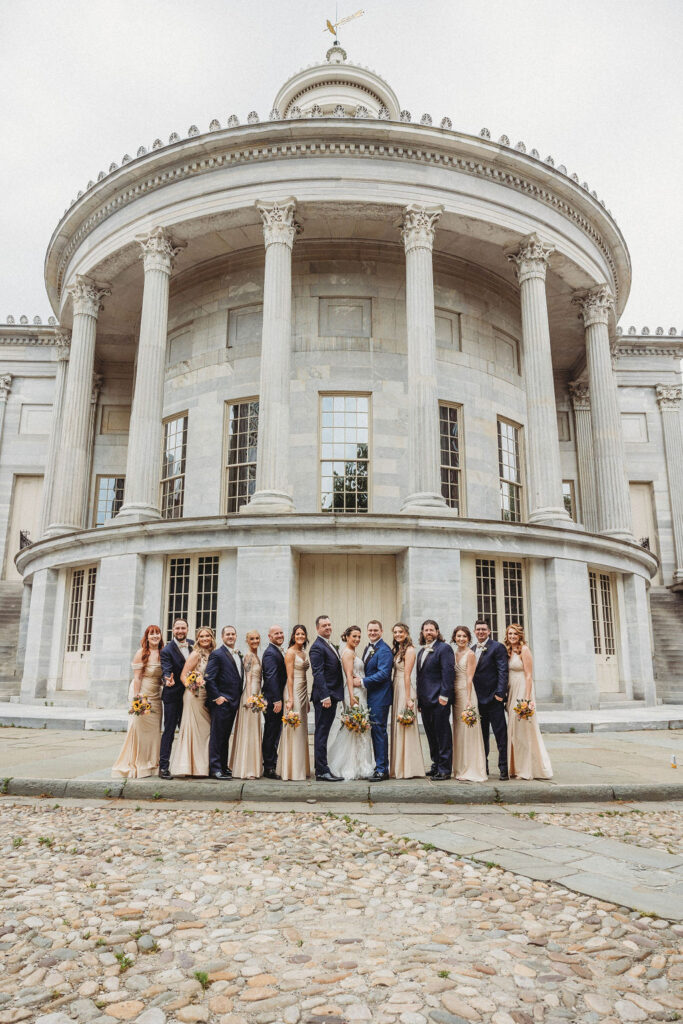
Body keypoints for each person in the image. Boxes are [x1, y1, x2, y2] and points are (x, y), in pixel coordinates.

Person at [112, 625, 164, 778]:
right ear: (147, 637)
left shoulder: (163, 652)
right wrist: (137, 698)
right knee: (139, 729)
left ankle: (152, 764)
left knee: (154, 731)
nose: (155, 636)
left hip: (156, 695)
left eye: (157, 633)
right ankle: (139, 763)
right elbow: (137, 677)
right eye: (151, 634)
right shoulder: (141, 653)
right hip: (143, 693)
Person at [505, 623, 553, 780]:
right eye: (510, 633)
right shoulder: (508, 650)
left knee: (523, 730)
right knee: (513, 731)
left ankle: (525, 770)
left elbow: (528, 675)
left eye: (515, 634)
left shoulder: (524, 650)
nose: (512, 636)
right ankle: (515, 767)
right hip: (511, 690)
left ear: (520, 635)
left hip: (522, 690)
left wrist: (526, 699)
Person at [328, 626, 375, 780]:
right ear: (347, 637)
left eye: (359, 636)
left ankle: (361, 763)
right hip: (354, 694)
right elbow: (348, 676)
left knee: (360, 728)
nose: (357, 639)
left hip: (360, 692)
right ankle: (350, 765)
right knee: (355, 727)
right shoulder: (347, 653)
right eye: (354, 636)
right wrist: (351, 696)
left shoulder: (353, 651)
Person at [169, 626, 215, 777]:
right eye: (201, 636)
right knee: (194, 730)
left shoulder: (213, 654)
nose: (204, 639)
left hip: (206, 697)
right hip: (194, 696)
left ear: (212, 637)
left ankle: (202, 767)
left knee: (205, 731)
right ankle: (189, 767)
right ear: (197, 639)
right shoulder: (195, 654)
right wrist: (193, 687)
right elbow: (183, 675)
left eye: (207, 636)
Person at [471, 618, 509, 781]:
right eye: (478, 629)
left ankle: (504, 768)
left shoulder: (497, 647)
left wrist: (500, 693)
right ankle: (483, 767)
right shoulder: (472, 649)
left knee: (501, 735)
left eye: (483, 629)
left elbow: (503, 670)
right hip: (478, 700)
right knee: (482, 736)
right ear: (474, 632)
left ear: (489, 631)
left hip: (494, 699)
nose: (480, 632)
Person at [204, 625, 244, 779]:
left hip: (233, 702)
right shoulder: (217, 654)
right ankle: (215, 769)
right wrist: (217, 697)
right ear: (222, 636)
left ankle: (223, 765)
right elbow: (209, 678)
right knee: (217, 736)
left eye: (233, 634)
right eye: (228, 634)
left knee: (226, 735)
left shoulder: (237, 654)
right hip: (221, 702)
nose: (231, 636)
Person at [416, 619, 454, 780]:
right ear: (422, 633)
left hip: (440, 700)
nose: (429, 632)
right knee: (431, 735)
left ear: (437, 632)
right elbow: (420, 678)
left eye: (432, 630)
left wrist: (444, 696)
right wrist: (419, 700)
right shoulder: (421, 651)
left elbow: (448, 673)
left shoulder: (444, 649)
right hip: (425, 702)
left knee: (442, 734)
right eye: (426, 630)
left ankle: (445, 769)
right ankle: (436, 765)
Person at [309, 614, 345, 781]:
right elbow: (318, 673)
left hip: (332, 695)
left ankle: (321, 767)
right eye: (324, 625)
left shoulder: (329, 645)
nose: (328, 628)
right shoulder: (317, 647)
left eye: (329, 625)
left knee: (324, 732)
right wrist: (324, 696)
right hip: (325, 697)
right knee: (321, 733)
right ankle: (322, 771)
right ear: (317, 628)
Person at [451, 626, 487, 782]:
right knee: (458, 730)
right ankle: (459, 767)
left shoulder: (470, 654)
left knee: (468, 730)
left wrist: (468, 701)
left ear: (468, 638)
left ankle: (471, 768)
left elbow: (470, 678)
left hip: (467, 693)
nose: (461, 639)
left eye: (464, 636)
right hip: (455, 694)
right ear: (454, 638)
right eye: (458, 636)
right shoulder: (453, 654)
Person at [159, 618, 194, 779]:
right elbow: (166, 669)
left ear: (187, 629)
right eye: (177, 628)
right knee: (170, 730)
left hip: (191, 697)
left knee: (189, 731)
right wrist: (167, 678)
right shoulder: (166, 650)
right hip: (173, 695)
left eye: (183, 628)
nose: (180, 631)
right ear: (173, 630)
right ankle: (164, 767)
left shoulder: (194, 645)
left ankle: (188, 765)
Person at [389, 623, 424, 779]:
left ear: (406, 632)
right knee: (398, 726)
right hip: (397, 687)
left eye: (400, 632)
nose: (397, 634)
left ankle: (409, 768)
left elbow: (408, 676)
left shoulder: (410, 650)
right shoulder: (398, 649)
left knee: (405, 726)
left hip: (404, 688)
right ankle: (399, 767)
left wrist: (408, 699)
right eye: (395, 632)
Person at [361, 620, 394, 781]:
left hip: (380, 697)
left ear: (381, 631)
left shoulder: (384, 650)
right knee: (374, 731)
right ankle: (377, 766)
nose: (373, 632)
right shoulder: (369, 648)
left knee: (379, 731)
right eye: (370, 630)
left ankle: (382, 769)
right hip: (371, 696)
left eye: (376, 630)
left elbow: (383, 674)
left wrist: (362, 682)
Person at [277, 624, 311, 780]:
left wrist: (308, 699)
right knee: (294, 727)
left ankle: (301, 768)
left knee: (302, 728)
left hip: (304, 690)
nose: (300, 636)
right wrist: (290, 699)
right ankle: (291, 770)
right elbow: (289, 677)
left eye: (302, 634)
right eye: (298, 634)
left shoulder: (304, 652)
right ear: (293, 636)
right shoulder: (290, 652)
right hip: (293, 691)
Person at [230, 630, 264, 779]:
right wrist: (250, 698)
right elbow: (249, 678)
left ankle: (252, 767)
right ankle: (246, 769)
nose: (255, 641)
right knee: (249, 732)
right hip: (251, 696)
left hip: (257, 694)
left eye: (257, 638)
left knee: (254, 731)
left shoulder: (256, 655)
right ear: (247, 641)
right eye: (252, 639)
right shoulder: (249, 656)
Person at [261, 625, 286, 779]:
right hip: (273, 700)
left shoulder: (277, 650)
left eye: (281, 633)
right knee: (271, 733)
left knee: (275, 731)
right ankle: (269, 767)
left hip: (277, 698)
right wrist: (276, 699)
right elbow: (270, 677)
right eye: (276, 633)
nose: (279, 635)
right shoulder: (270, 653)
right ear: (269, 637)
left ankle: (272, 762)